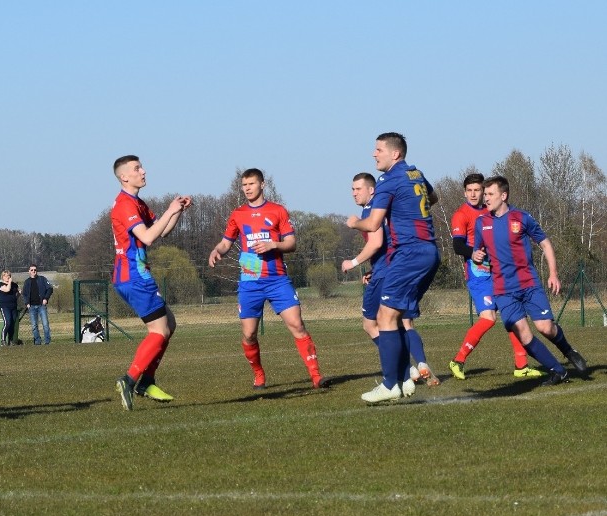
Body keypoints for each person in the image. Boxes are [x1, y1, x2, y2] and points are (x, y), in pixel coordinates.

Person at [209, 168, 327, 390]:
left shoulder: (277, 211)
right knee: (249, 334)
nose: (247, 188)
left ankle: (316, 376)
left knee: (297, 325)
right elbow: (226, 242)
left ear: (262, 185)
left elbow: (291, 243)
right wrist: (217, 250)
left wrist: (274, 244)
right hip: (250, 281)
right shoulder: (237, 214)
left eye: (251, 184)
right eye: (244, 185)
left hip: (277, 280)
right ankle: (259, 374)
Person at [347, 132, 440, 404]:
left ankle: (391, 384)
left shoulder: (388, 181)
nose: (374, 154)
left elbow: (372, 224)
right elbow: (432, 198)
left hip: (408, 253)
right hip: (429, 251)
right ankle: (402, 377)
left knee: (385, 318)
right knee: (395, 317)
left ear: (395, 154)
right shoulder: (416, 174)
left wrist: (354, 223)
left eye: (378, 150)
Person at [472, 176, 588, 385]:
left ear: (503, 195)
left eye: (490, 194)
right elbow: (477, 251)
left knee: (546, 328)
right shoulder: (481, 223)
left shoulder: (521, 218)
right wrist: (475, 255)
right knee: (523, 335)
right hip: (503, 290)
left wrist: (553, 273)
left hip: (529, 284)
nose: (485, 198)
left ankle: (568, 351)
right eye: (485, 194)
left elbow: (545, 244)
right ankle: (557, 371)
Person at [110, 154, 192, 410]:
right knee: (159, 331)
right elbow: (146, 237)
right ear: (124, 176)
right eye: (137, 168)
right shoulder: (125, 205)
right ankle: (130, 379)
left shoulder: (137, 203)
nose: (143, 171)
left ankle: (147, 380)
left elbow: (161, 230)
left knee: (170, 324)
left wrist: (176, 211)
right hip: (133, 276)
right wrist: (169, 210)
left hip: (138, 274)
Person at [448, 173, 543, 379]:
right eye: (470, 190)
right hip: (478, 276)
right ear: (464, 192)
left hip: (499, 273)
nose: (474, 194)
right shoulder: (461, 214)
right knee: (489, 318)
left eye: (478, 190)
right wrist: (473, 253)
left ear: (483, 192)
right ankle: (458, 360)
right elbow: (457, 245)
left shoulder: (490, 212)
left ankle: (521, 366)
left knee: (513, 316)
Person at [22, 264, 53, 345]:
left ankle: (47, 341)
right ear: (29, 271)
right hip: (31, 306)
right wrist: (27, 303)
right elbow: (24, 294)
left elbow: (50, 288)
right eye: (31, 270)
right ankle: (37, 341)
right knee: (34, 326)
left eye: (35, 270)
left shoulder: (42, 279)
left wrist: (46, 298)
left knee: (45, 324)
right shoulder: (27, 282)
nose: (33, 271)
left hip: (41, 305)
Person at [0, 270, 19, 345]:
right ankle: (3, 340)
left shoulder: (14, 285)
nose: (8, 277)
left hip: (13, 306)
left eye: (9, 275)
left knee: (13, 323)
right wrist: (9, 282)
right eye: (6, 275)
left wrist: (18, 293)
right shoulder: (1, 285)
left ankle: (11, 340)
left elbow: (16, 295)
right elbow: (7, 289)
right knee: (8, 322)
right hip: (5, 307)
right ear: (2, 277)